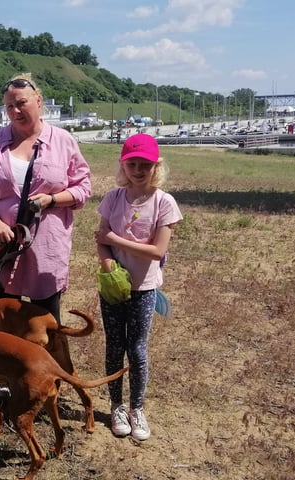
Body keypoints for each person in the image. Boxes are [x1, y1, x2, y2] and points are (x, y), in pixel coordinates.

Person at [0, 72, 92, 324]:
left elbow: (83, 187)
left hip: (45, 249)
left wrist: (51, 200)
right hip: (2, 249)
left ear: (38, 101)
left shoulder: (63, 141)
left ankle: (47, 364)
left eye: (21, 103)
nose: (15, 111)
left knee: (44, 324)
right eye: (9, 106)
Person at [94, 133, 183, 441]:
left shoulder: (164, 202)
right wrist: (107, 261)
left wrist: (116, 241)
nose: (138, 169)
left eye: (145, 164)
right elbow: (100, 240)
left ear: (156, 167)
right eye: (132, 163)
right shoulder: (112, 199)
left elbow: (157, 251)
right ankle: (116, 405)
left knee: (138, 349)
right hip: (113, 288)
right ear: (123, 165)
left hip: (144, 288)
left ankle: (137, 408)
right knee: (114, 346)